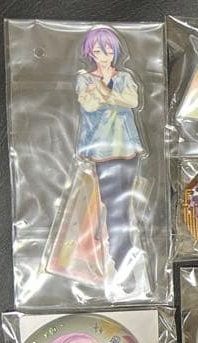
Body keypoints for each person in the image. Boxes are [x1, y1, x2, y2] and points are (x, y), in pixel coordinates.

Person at [75, 26, 144, 286]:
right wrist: (110, 93)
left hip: (128, 150)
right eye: (97, 51)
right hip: (103, 153)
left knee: (124, 208)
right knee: (115, 209)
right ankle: (122, 264)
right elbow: (89, 104)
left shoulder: (124, 76)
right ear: (90, 53)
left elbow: (132, 101)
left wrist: (104, 91)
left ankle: (126, 264)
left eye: (107, 50)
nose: (103, 56)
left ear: (114, 51)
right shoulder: (84, 79)